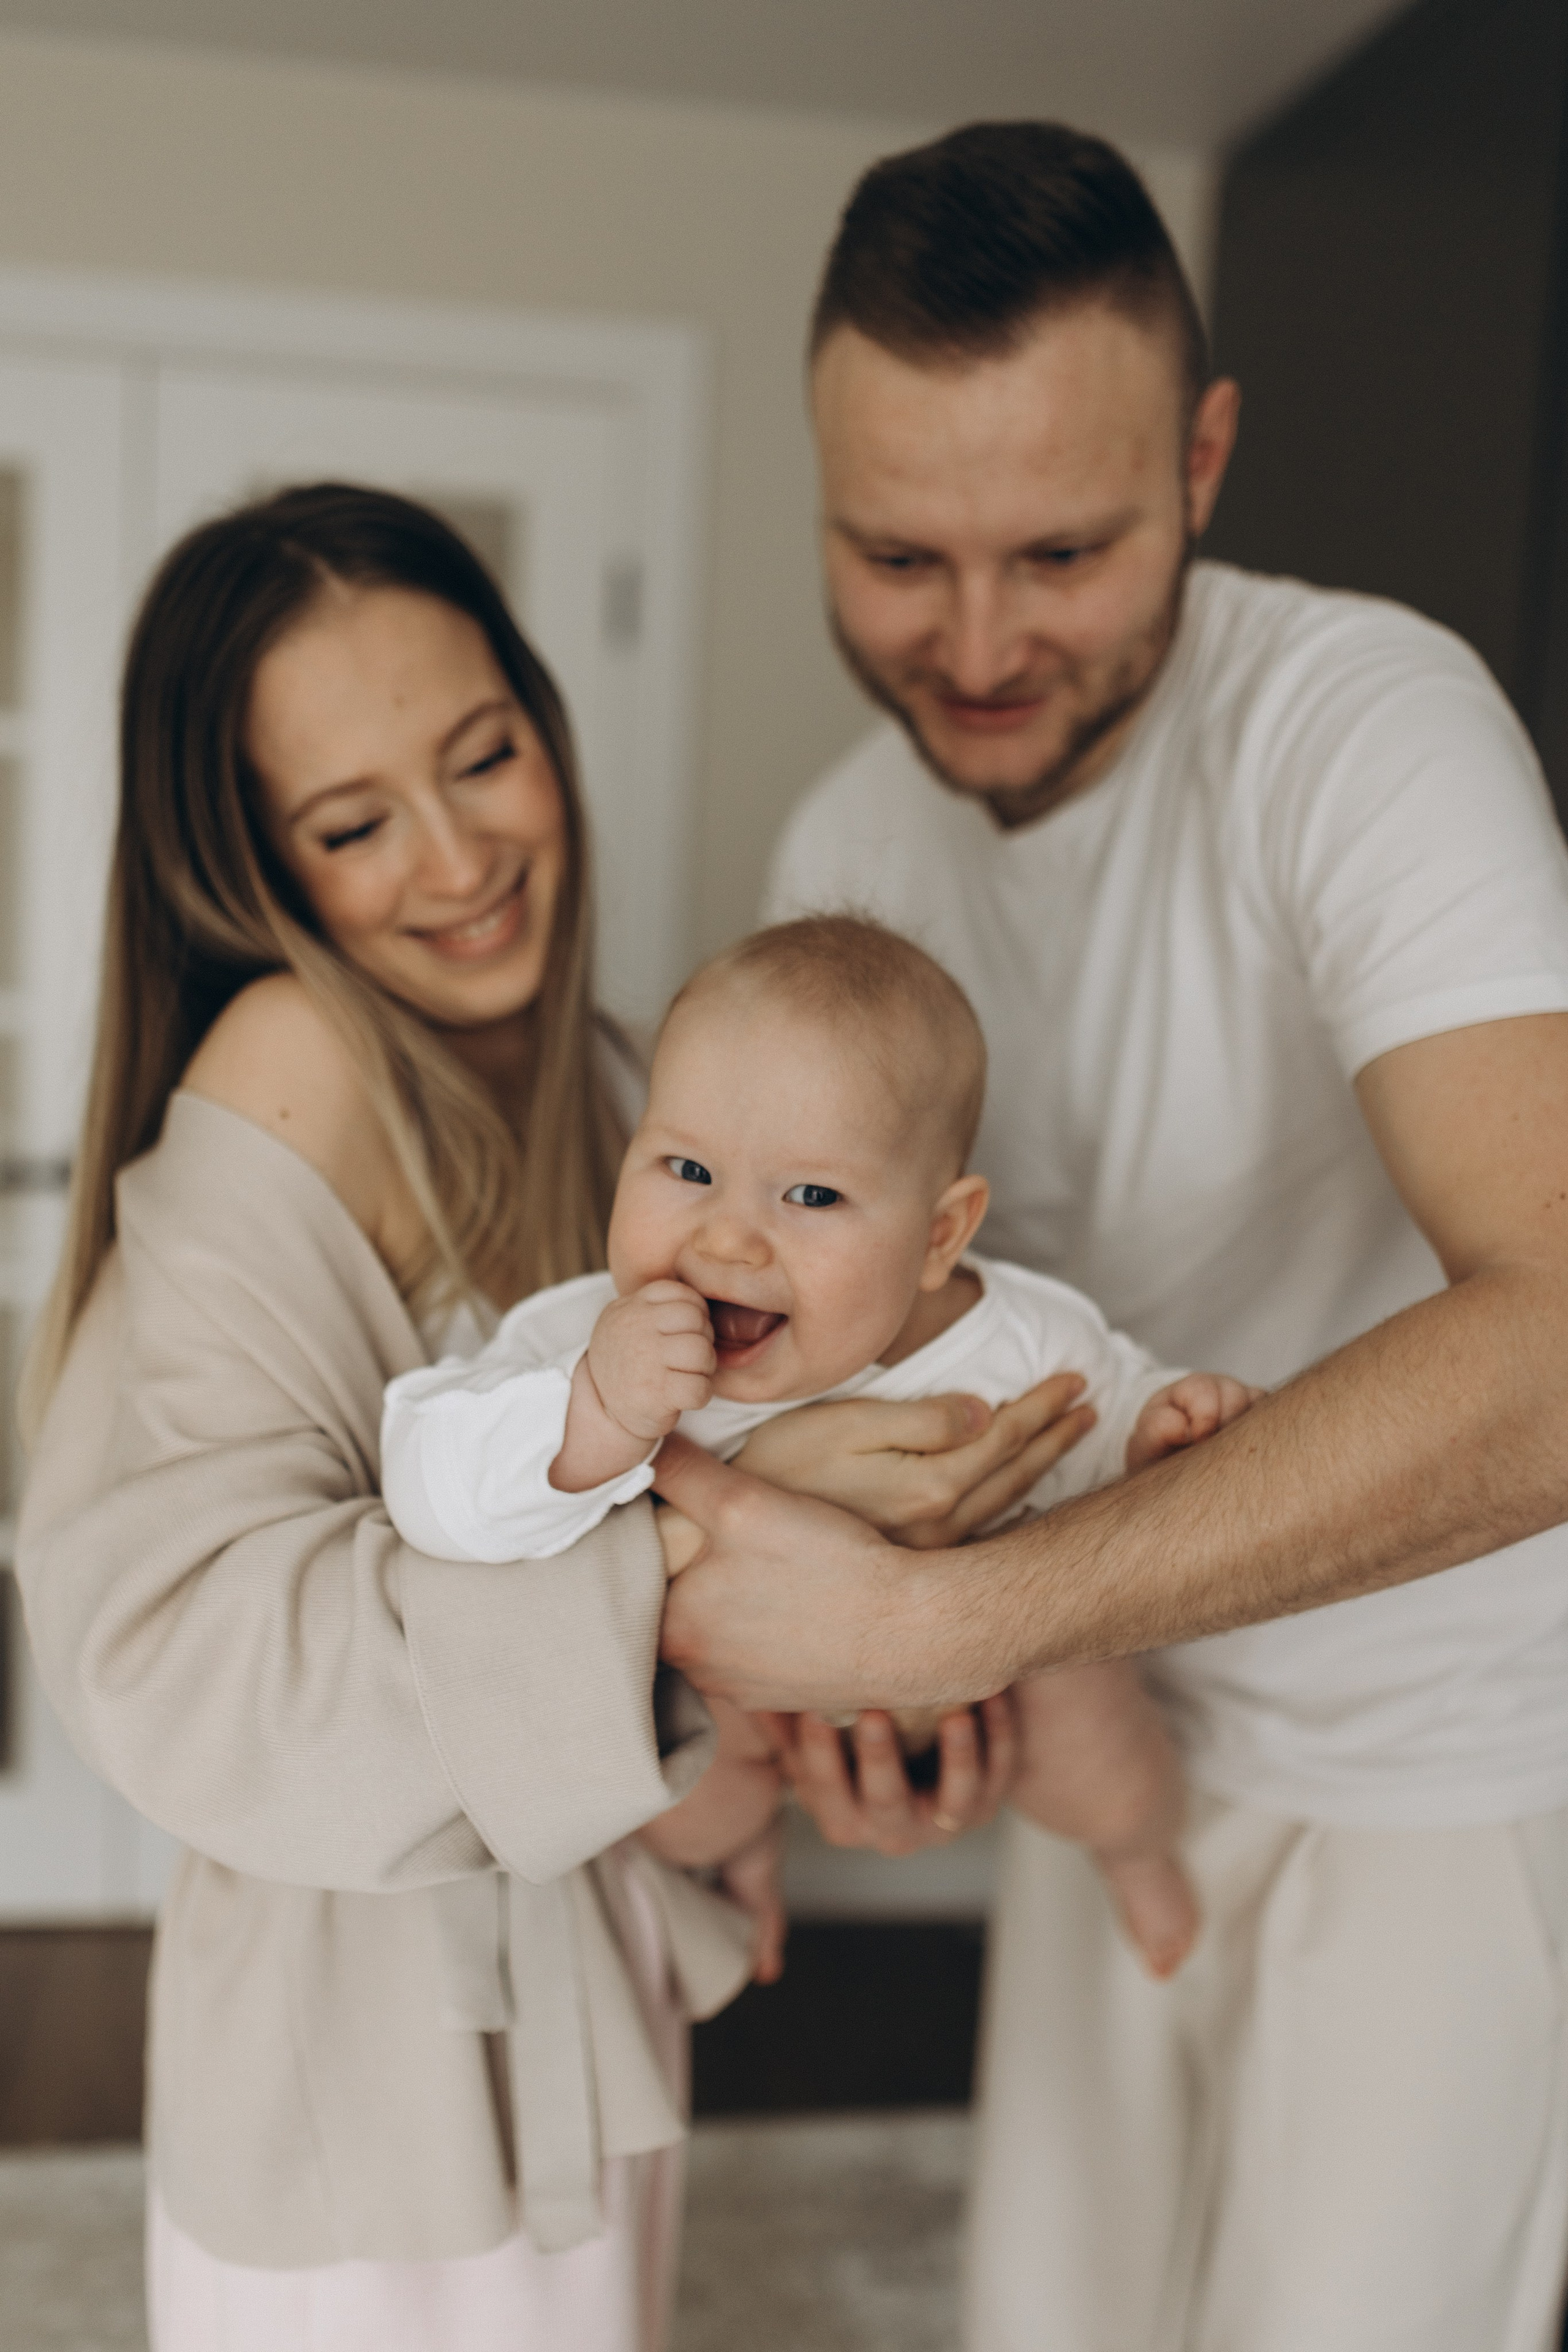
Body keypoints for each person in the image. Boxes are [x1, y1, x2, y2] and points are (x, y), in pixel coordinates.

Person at [654, 123, 1568, 2350]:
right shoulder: (851, 831)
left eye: (1061, 550)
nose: (975, 644)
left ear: (1207, 460)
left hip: (1444, 1757)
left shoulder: (1365, 730)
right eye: (895, 555)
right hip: (1113, 1726)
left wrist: (924, 1620)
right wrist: (893, 1681)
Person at [13, 485, 1074, 2351]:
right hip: (368, 2043)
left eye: (483, 756)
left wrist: (831, 1696)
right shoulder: (297, 1068)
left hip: (585, 1970)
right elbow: (174, 1644)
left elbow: (726, 1569)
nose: (457, 858)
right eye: (352, 824)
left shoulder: (625, 1098)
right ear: (255, 862)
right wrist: (694, 1577)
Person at [380, 913, 1258, 1978]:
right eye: (686, 1168)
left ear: (940, 1236)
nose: (727, 1238)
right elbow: (426, 1484)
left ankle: (1136, 1853)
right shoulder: (585, 1347)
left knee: (1100, 1730)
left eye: (811, 1195)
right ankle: (743, 1850)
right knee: (674, 1802)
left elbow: (1106, 1411)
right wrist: (588, 1416)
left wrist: (1162, 1428)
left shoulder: (1019, 1338)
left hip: (985, 1672)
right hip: (737, 1684)